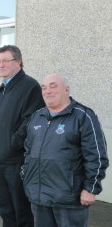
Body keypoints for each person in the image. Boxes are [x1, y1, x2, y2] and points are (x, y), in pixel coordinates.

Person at [21, 74, 109, 227]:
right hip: (39, 196)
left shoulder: (83, 116)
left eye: (53, 86)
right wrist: (26, 174)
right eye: (44, 87)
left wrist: (91, 188)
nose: (48, 91)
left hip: (69, 199)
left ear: (67, 89)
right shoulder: (37, 117)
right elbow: (28, 151)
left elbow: (96, 156)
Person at [0, 45, 45, 227]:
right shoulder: (2, 88)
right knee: (5, 209)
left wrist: (12, 144)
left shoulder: (30, 86)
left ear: (18, 62)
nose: (1, 65)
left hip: (16, 160)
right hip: (0, 158)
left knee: (21, 211)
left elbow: (31, 121)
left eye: (5, 61)